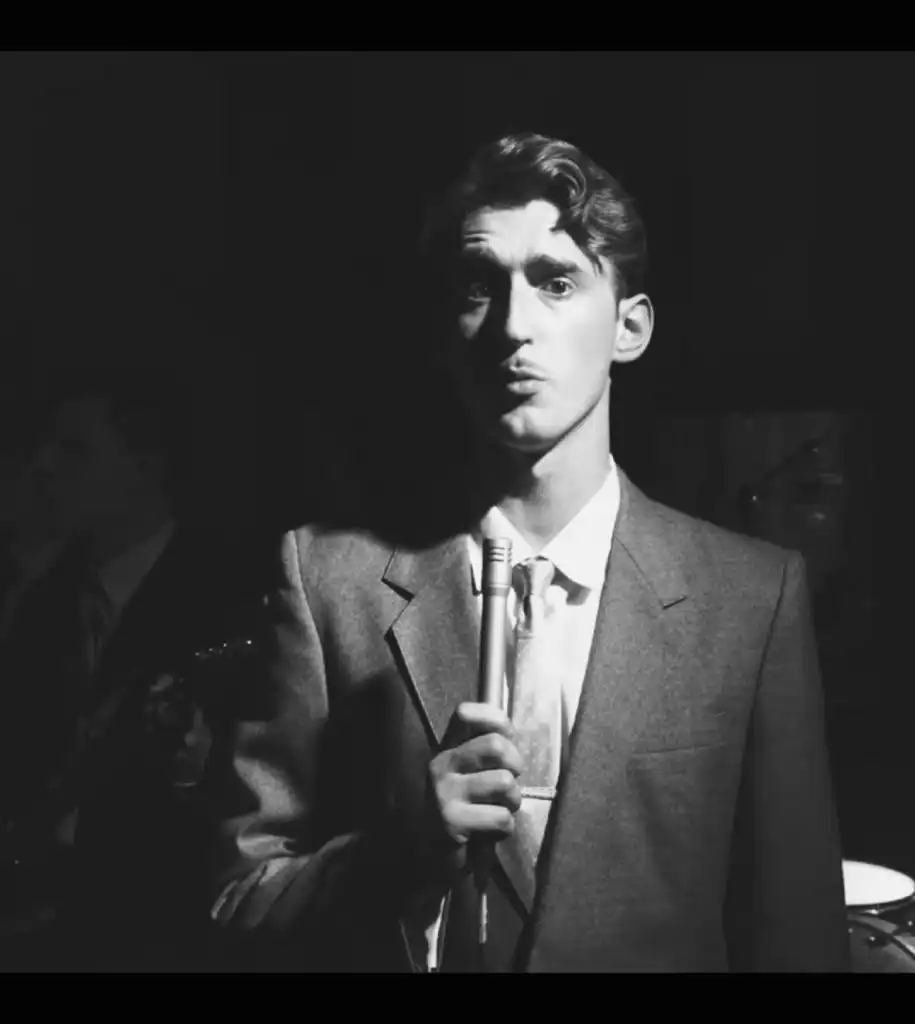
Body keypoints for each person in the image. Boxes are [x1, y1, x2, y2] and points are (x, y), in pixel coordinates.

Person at [208, 132, 849, 972]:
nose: (512, 326)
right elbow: (237, 902)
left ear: (629, 327)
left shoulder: (748, 598)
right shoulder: (329, 580)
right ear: (446, 331)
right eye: (480, 287)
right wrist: (399, 851)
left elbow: (797, 934)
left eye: (556, 282)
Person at [0, 368, 262, 971]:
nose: (43, 466)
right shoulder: (43, 599)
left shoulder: (232, 598)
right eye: (46, 445)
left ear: (148, 464)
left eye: (75, 449)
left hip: (162, 931)